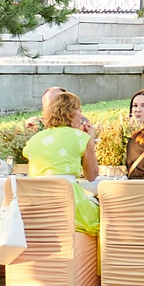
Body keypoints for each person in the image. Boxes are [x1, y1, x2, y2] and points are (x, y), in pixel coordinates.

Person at [20, 88, 101, 234]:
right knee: (105, 217)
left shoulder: (35, 139)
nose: (81, 115)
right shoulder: (81, 138)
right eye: (79, 111)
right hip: (69, 206)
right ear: (70, 113)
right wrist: (89, 141)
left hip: (37, 210)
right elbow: (92, 176)